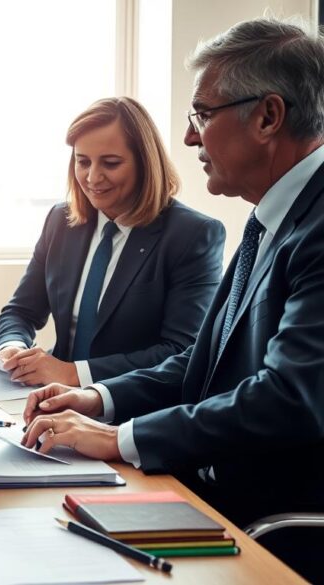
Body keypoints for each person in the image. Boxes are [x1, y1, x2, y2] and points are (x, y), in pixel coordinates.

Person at [20, 18, 324, 582]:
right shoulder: (271, 219)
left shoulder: (315, 227)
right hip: (209, 489)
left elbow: (290, 398)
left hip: (268, 523)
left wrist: (121, 438)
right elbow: (200, 361)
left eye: (202, 116)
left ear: (268, 116)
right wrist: (98, 399)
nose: (189, 138)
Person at [0, 97, 225, 386]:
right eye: (83, 162)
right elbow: (21, 311)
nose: (92, 177)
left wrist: (73, 374)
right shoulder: (61, 221)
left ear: (145, 163)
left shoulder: (192, 235)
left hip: (130, 409)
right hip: (52, 399)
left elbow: (181, 351)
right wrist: (13, 346)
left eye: (111, 163)